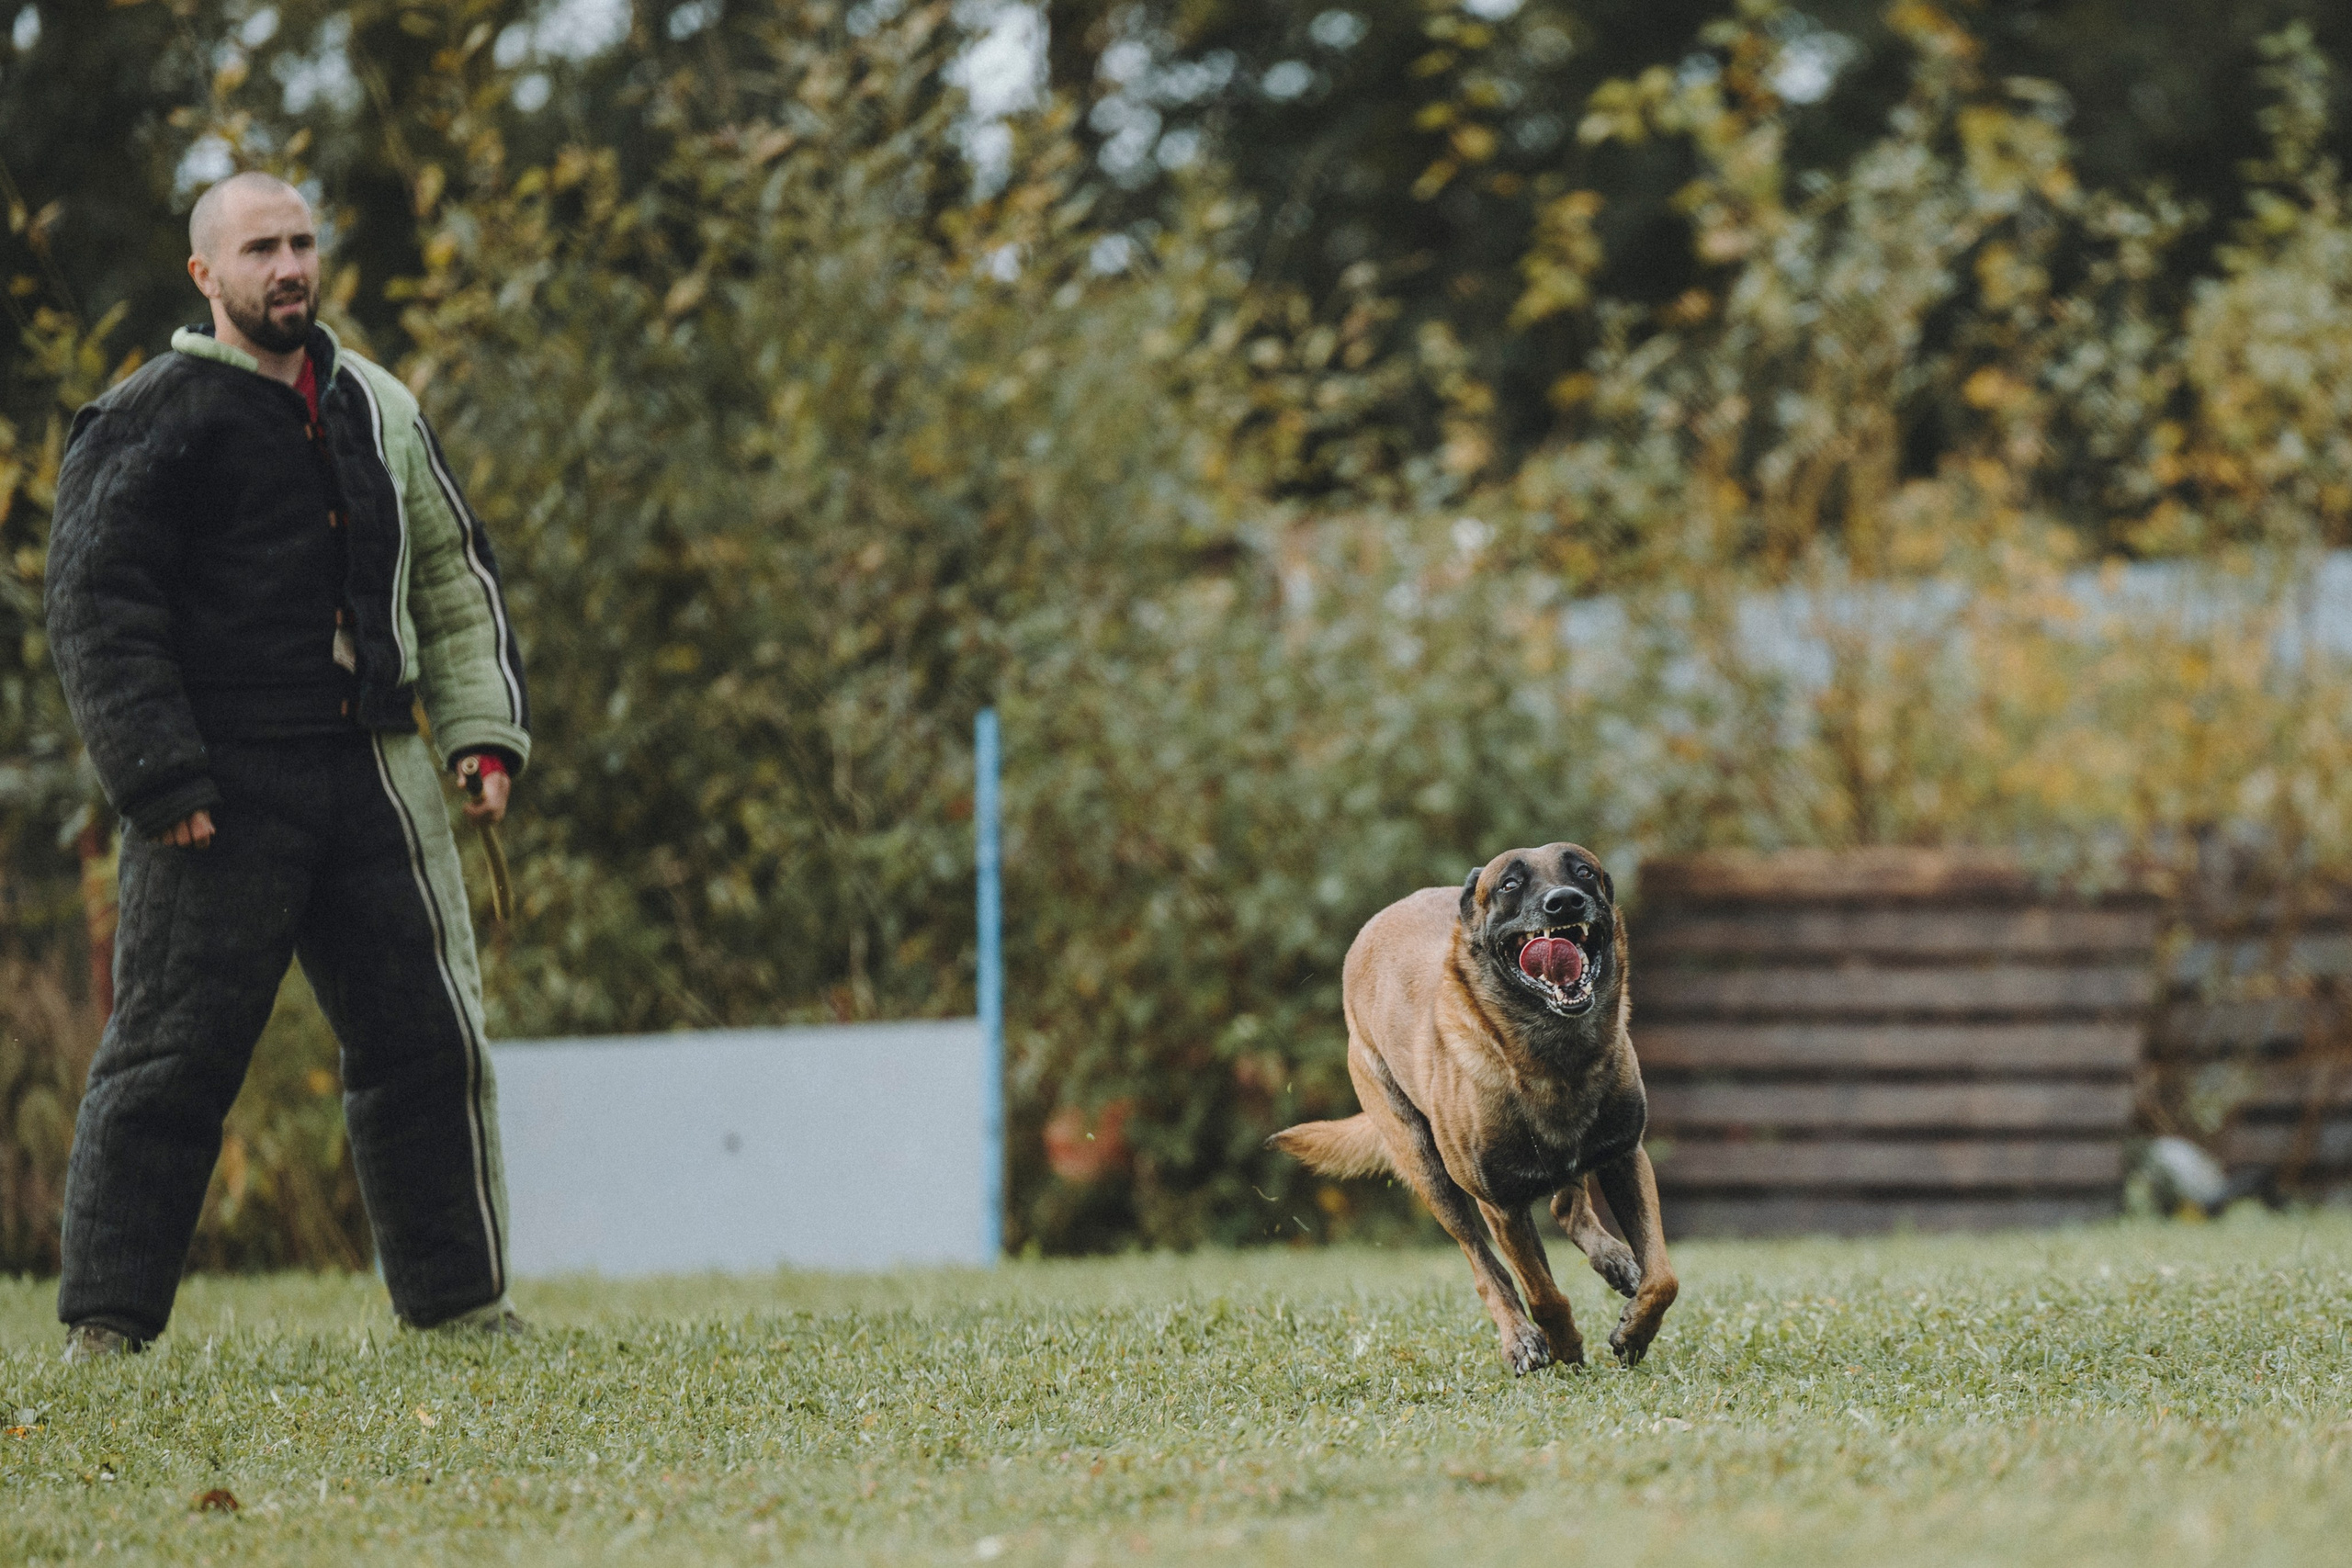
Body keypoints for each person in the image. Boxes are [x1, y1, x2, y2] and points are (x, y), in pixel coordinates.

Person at [44, 171, 531, 1359]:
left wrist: (478, 733)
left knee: (428, 1042)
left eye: (302, 242)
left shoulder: (378, 401)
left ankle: (461, 1309)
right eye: (261, 248)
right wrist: (159, 776)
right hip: (219, 789)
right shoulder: (147, 417)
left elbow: (451, 579)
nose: (289, 267)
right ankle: (106, 1327)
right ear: (206, 274)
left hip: (373, 769)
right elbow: (99, 607)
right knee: (170, 1056)